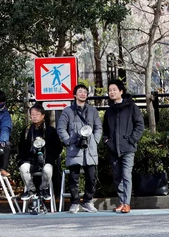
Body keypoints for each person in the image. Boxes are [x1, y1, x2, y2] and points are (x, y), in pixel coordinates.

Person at [57, 83, 102, 213]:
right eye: (80, 91)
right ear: (75, 95)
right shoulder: (68, 111)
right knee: (73, 178)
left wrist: (95, 140)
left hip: (90, 148)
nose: (83, 94)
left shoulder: (92, 111)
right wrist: (69, 141)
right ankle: (75, 202)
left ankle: (88, 201)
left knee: (91, 177)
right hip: (74, 147)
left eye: (85, 92)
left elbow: (98, 127)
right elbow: (61, 128)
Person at [103, 79, 144, 214]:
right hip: (113, 149)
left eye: (114, 89)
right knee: (117, 176)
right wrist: (107, 141)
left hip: (128, 148)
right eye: (110, 90)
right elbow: (105, 130)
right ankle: (121, 202)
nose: (112, 92)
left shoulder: (132, 107)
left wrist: (132, 140)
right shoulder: (109, 110)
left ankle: (126, 203)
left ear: (121, 91)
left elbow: (139, 125)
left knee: (126, 175)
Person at [17, 104, 62, 201]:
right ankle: (31, 189)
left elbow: (58, 147)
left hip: (46, 159)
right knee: (23, 168)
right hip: (30, 160)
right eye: (32, 114)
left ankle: (43, 189)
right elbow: (21, 148)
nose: (34, 116)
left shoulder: (50, 130)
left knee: (47, 170)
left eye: (37, 114)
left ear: (43, 115)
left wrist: (50, 157)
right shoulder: (26, 131)